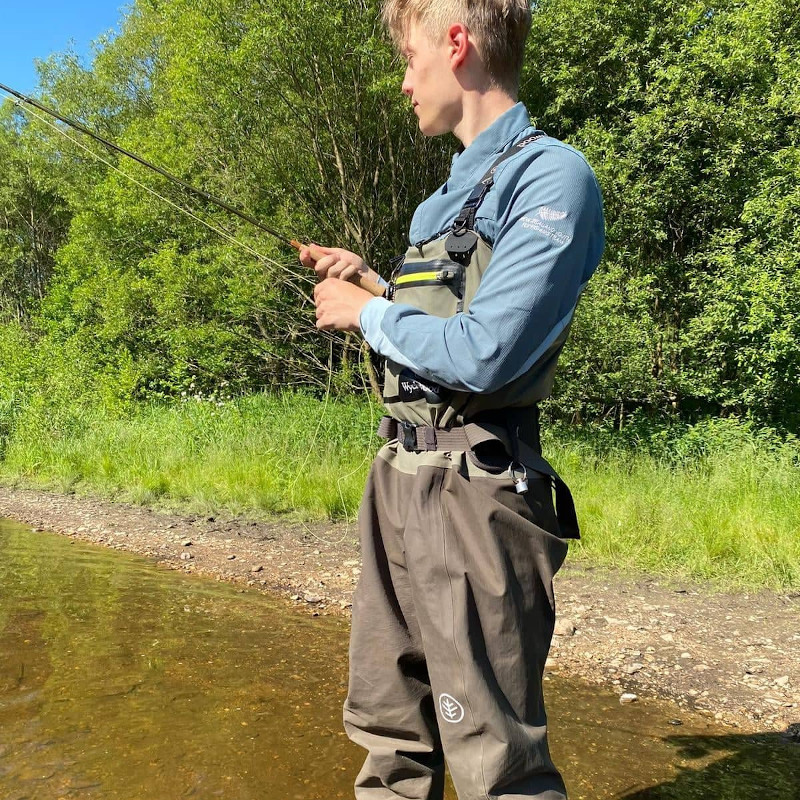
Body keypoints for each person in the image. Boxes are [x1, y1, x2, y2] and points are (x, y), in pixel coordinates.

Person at [300, 1, 605, 797]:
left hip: (476, 495)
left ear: (458, 45)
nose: (404, 82)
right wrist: (369, 279)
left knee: (494, 760)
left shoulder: (552, 178)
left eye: (409, 58)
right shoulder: (440, 205)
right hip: (395, 480)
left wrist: (368, 312)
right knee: (390, 736)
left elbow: (487, 351)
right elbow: (443, 323)